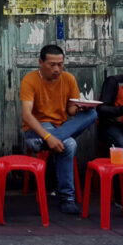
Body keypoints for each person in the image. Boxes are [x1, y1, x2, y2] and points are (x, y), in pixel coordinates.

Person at [20, 44, 97, 215]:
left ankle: (46, 141)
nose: (57, 69)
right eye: (52, 65)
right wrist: (48, 136)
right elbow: (26, 115)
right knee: (69, 144)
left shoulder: (68, 79)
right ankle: (67, 198)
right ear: (40, 62)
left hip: (60, 128)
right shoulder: (30, 80)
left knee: (92, 114)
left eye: (60, 64)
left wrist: (80, 109)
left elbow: (70, 110)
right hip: (37, 129)